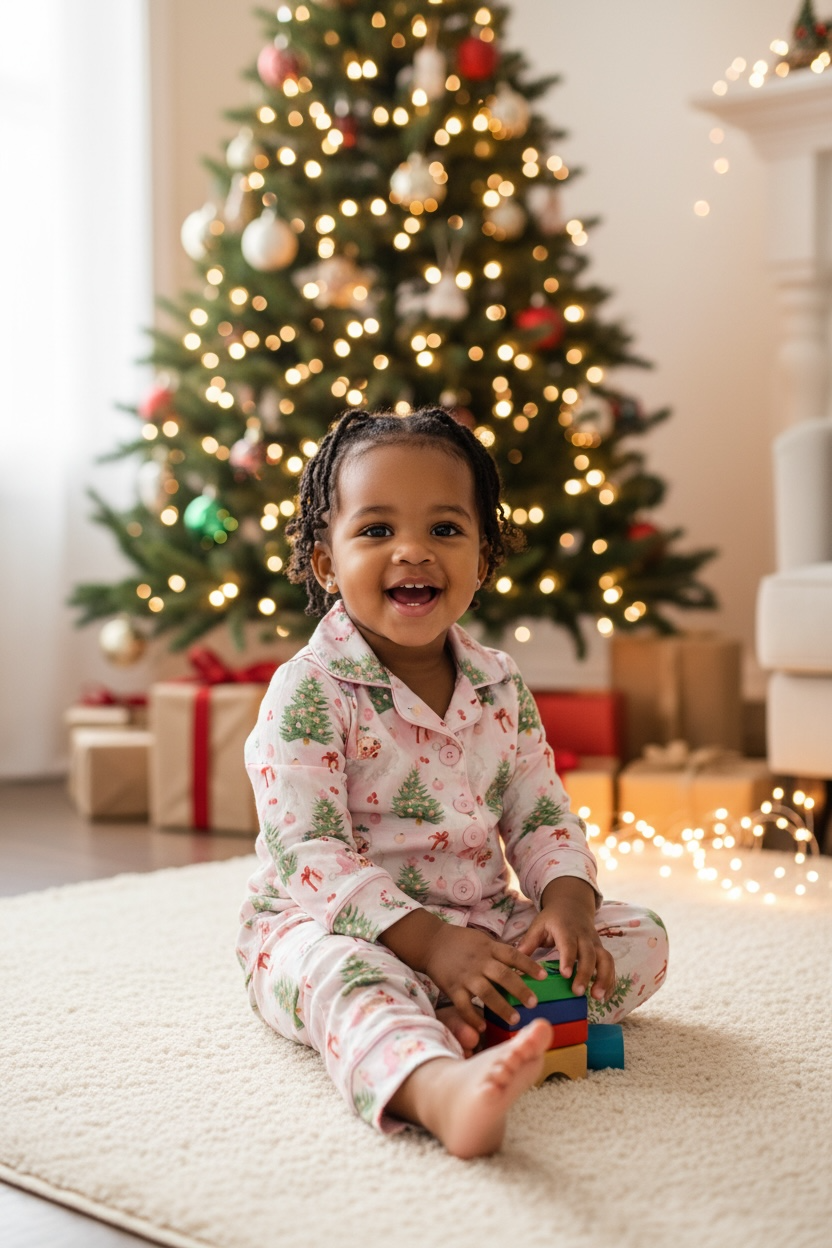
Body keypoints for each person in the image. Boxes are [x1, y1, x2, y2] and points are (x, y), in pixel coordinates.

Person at [237, 406, 668, 1158]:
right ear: (326, 563)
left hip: (475, 922)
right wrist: (427, 945)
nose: (412, 552)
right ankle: (437, 1087)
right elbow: (310, 852)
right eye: (375, 531)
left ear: (483, 558)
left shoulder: (500, 684)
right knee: (343, 977)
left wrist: (566, 903)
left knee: (638, 938)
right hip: (331, 926)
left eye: (444, 530)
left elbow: (540, 813)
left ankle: (476, 1008)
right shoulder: (307, 690)